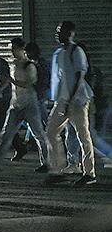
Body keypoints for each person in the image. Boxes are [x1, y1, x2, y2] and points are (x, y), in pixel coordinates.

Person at [44, 21, 97, 186]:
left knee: (83, 136)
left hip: (78, 102)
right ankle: (57, 169)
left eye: (60, 31)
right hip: (62, 102)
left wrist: (71, 101)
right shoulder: (59, 53)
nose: (56, 33)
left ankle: (89, 173)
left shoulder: (77, 51)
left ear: (70, 33)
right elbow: (59, 79)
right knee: (51, 132)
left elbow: (80, 77)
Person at [0, 38, 49, 172]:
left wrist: (12, 81)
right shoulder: (14, 64)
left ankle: (47, 163)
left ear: (21, 49)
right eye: (11, 49)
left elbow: (29, 84)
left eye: (13, 48)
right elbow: (7, 82)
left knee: (39, 135)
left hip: (30, 105)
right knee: (6, 133)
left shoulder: (29, 66)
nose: (12, 51)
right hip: (16, 105)